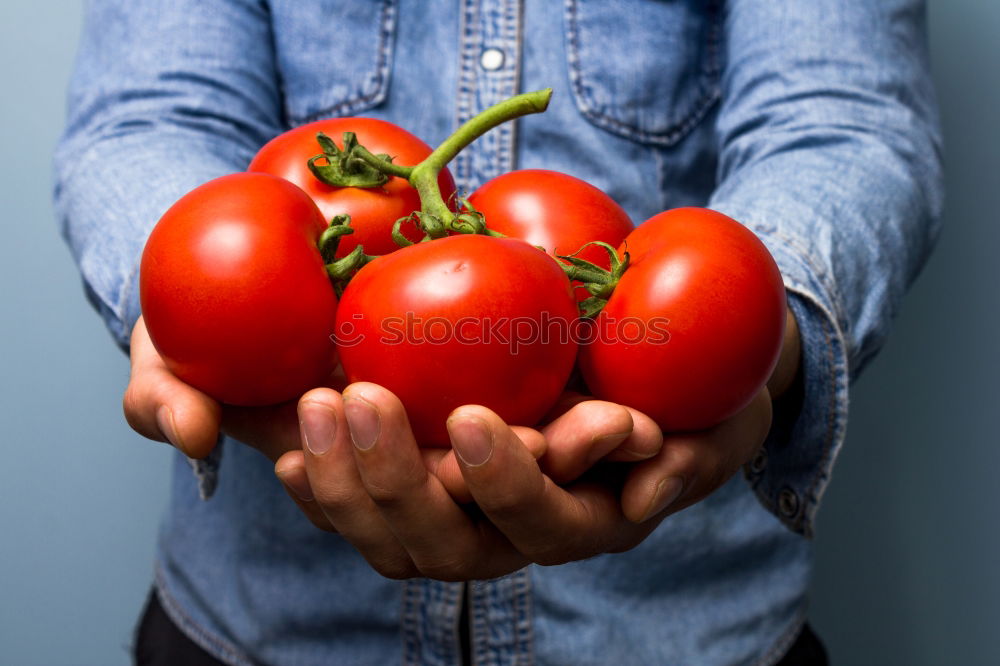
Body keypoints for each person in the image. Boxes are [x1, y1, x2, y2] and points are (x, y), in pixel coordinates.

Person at [56, 1, 942, 664]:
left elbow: (843, 121)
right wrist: (189, 305)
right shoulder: (362, 245)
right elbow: (148, 119)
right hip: (261, 625)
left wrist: (758, 333)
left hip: (685, 627)